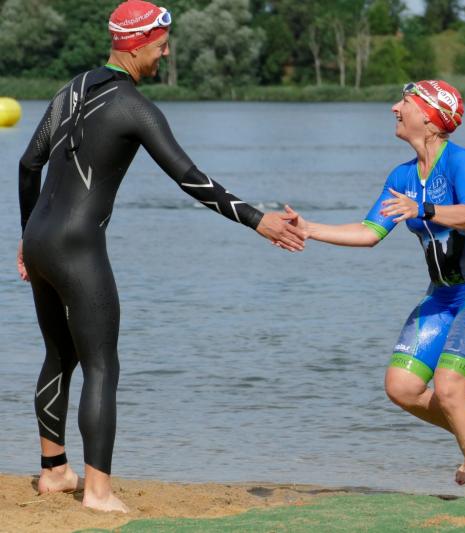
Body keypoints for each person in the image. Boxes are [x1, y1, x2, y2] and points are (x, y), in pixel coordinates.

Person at [16, 0, 305, 512]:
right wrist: (257, 219)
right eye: (161, 45)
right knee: (101, 366)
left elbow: (27, 164)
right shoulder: (135, 107)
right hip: (78, 247)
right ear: (136, 45)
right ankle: (98, 492)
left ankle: (54, 471)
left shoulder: (70, 90)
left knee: (59, 355)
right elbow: (190, 178)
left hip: (39, 240)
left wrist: (26, 237)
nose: (166, 53)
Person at [286, 80, 465, 505]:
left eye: (405, 103)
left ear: (430, 119)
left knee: (449, 388)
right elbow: (369, 232)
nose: (394, 107)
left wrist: (423, 209)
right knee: (402, 386)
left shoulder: (462, 162)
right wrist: (309, 229)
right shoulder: (402, 176)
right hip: (443, 297)